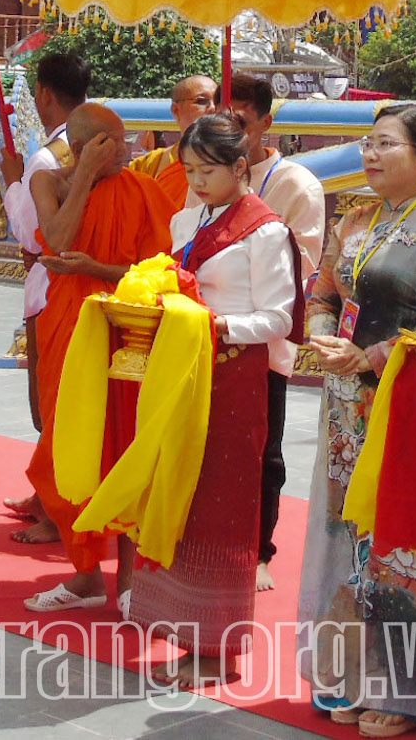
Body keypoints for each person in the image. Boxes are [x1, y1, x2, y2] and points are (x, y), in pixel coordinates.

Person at [297, 103, 416, 732]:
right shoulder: (353, 219)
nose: (370, 155)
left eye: (386, 144)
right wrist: (324, 338)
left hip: (410, 408)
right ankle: (347, 673)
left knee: (401, 537)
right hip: (346, 406)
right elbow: (322, 292)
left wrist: (370, 354)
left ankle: (401, 690)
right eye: (366, 144)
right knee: (345, 534)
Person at [133, 112, 301, 688]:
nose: (197, 181)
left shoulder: (265, 230)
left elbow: (280, 317)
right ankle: (182, 629)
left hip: (233, 374)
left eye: (208, 170)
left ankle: (218, 644)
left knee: (224, 505)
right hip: (184, 366)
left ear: (240, 168)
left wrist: (216, 326)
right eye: (188, 171)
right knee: (178, 490)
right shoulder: (188, 217)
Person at [22, 104, 176, 612]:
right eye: (108, 142)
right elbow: (59, 239)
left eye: (124, 139)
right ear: (84, 144)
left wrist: (99, 269)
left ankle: (130, 582)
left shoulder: (143, 191)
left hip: (125, 332)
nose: (124, 149)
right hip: (69, 324)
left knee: (123, 449)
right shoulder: (50, 180)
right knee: (65, 449)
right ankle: (85, 577)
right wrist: (85, 173)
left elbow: (156, 271)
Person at [215, 73, 326, 592]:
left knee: (264, 451)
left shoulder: (295, 185)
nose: (230, 130)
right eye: (221, 120)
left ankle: (259, 549)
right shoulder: (205, 181)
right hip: (209, 337)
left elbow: (302, 266)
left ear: (266, 123)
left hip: (262, 337)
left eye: (239, 121)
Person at [0, 51, 91, 495]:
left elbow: (32, 234)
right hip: (90, 282)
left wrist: (13, 180)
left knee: (50, 401)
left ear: (44, 94)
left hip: (53, 285)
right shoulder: (97, 148)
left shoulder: (45, 161)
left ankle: (56, 500)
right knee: (74, 398)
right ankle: (52, 495)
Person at [128, 73, 215, 210]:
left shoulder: (232, 164)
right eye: (202, 101)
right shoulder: (149, 165)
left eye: (218, 101)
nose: (213, 109)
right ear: (176, 110)